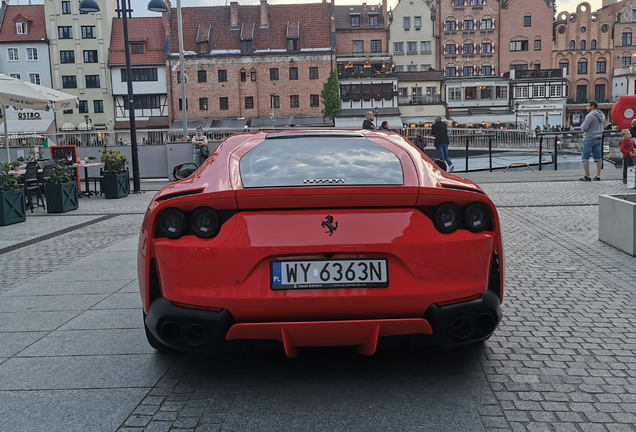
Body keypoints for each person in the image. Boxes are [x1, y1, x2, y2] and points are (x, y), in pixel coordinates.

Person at [579, 100, 604, 181]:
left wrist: (582, 125)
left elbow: (584, 128)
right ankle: (598, 175)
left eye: (588, 106)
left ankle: (587, 175)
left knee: (585, 157)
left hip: (589, 138)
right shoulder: (602, 115)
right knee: (598, 157)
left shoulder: (590, 115)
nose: (587, 107)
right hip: (598, 137)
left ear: (593, 106)